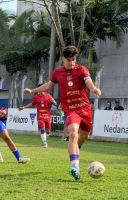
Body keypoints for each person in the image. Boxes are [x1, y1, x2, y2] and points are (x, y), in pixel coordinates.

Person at [24, 45, 101, 180]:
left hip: (85, 110)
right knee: (72, 134)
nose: (71, 62)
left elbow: (88, 81)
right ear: (63, 59)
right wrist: (33, 90)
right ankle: (74, 167)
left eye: (73, 59)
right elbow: (48, 85)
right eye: (68, 60)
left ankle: (76, 149)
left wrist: (94, 88)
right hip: (71, 110)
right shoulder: (58, 72)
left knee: (83, 137)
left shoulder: (82, 69)